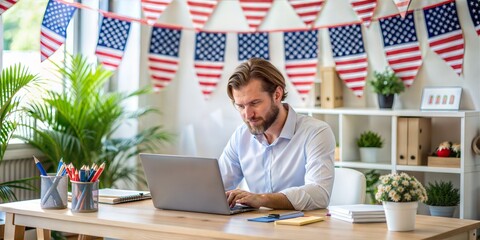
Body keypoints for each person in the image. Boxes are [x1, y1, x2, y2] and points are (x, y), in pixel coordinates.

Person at [218, 58, 336, 211]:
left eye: (255, 103)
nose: (247, 115)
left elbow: (319, 194)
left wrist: (262, 199)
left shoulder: (316, 132)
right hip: (255, 229)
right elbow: (218, 186)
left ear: (277, 95)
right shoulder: (241, 136)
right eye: (240, 106)